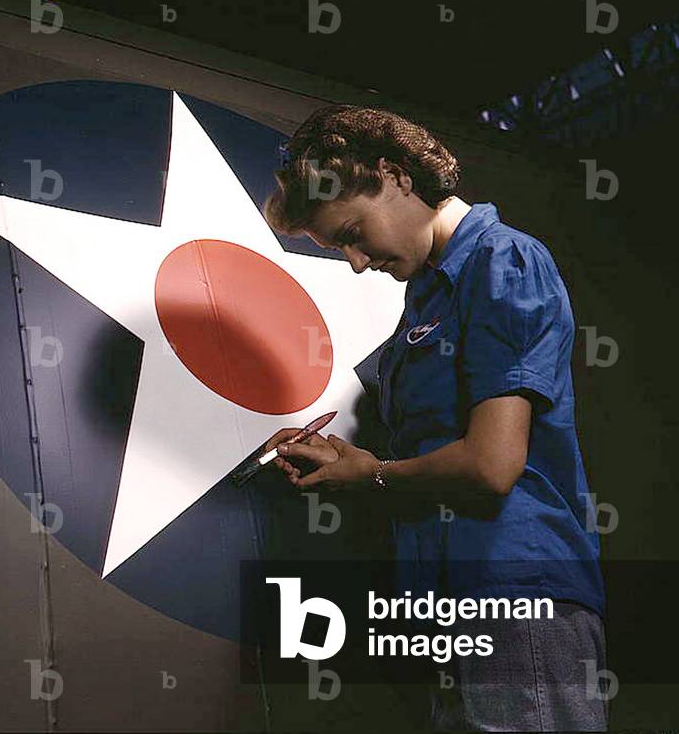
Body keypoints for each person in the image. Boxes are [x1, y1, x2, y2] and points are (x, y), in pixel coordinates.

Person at [260, 104, 608, 731]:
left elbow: (492, 465)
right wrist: (356, 462)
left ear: (394, 177)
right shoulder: (426, 295)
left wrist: (373, 476)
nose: (358, 262)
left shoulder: (502, 262)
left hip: (515, 592)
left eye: (352, 234)